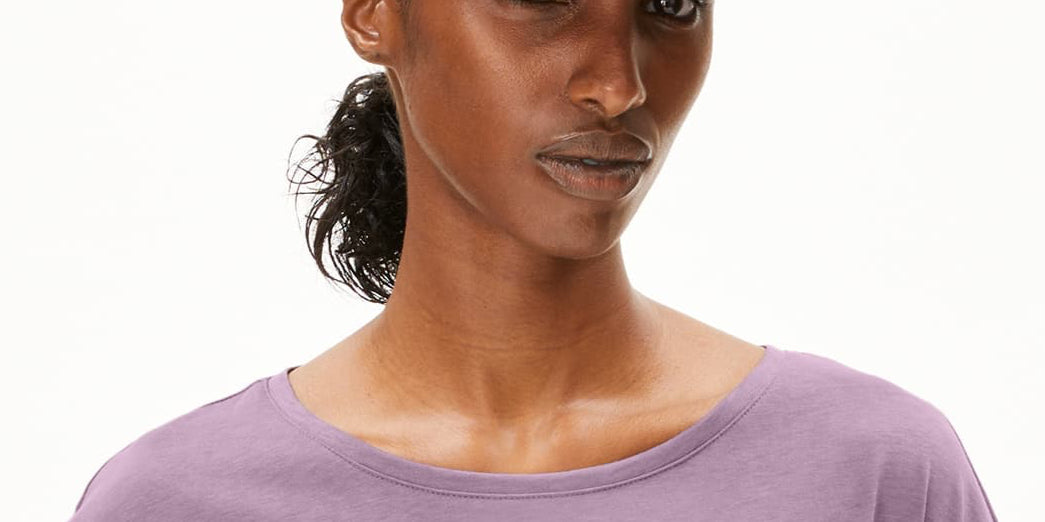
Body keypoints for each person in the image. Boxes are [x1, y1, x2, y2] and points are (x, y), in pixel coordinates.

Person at [68, 0, 998, 520]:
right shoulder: (177, 503)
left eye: (671, 5)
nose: (618, 85)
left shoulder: (870, 471)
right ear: (374, 13)